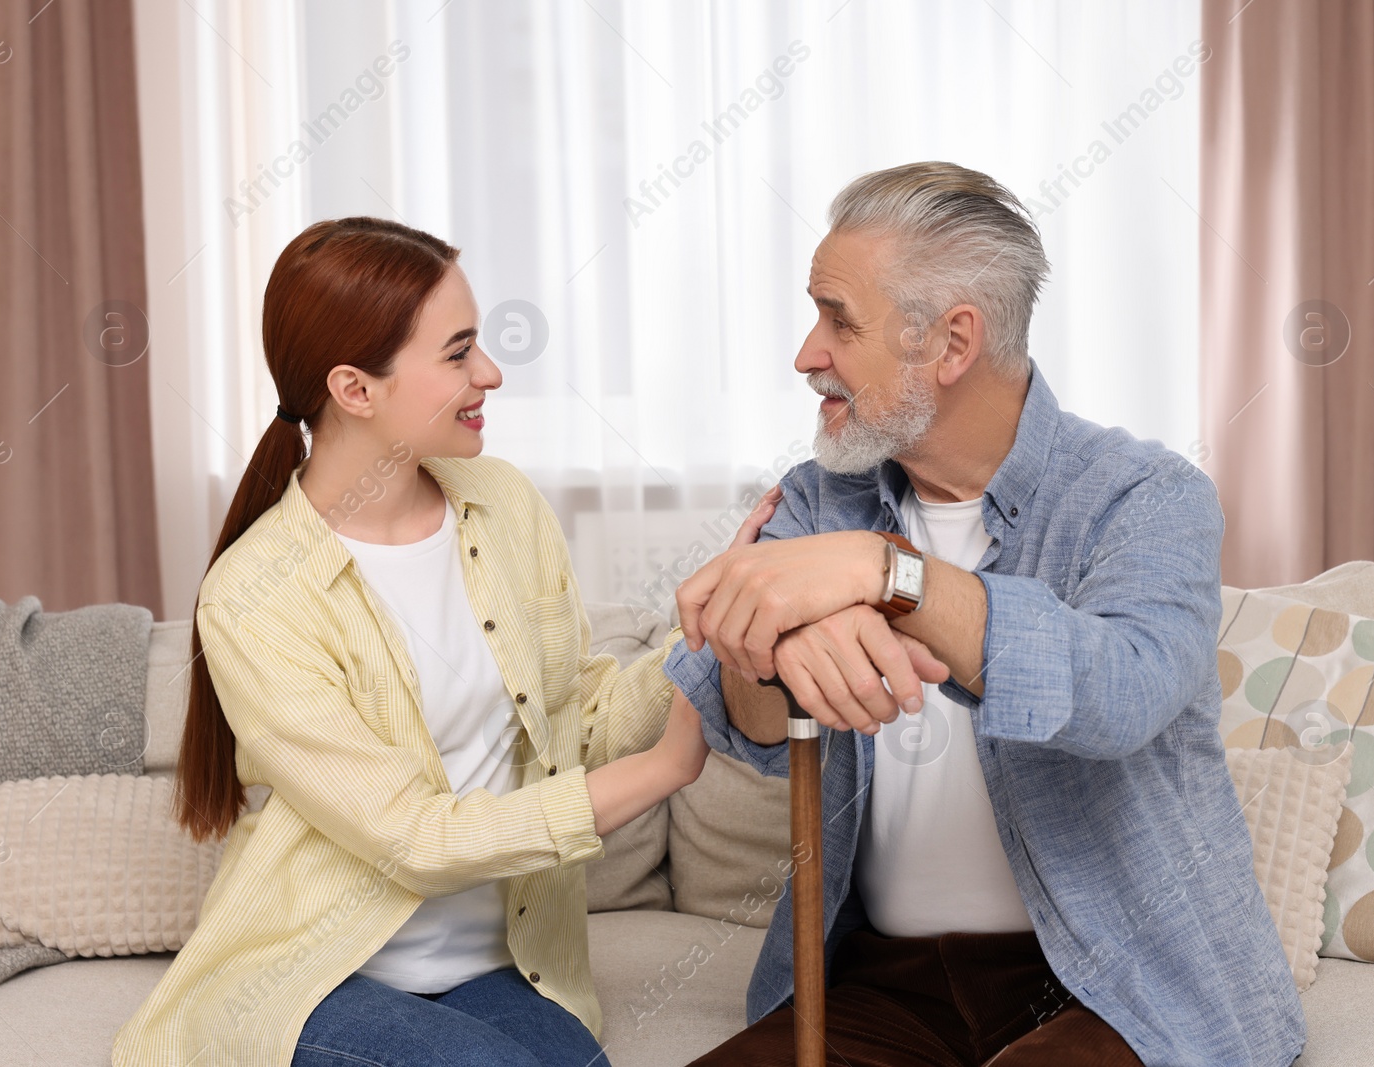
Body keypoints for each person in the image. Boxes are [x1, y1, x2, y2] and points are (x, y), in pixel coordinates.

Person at [662, 162, 1305, 1066]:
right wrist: (756, 633)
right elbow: (762, 728)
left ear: (952, 343)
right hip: (883, 981)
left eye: (838, 319)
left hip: (1113, 983)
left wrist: (885, 573)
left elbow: (1119, 692)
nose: (808, 353)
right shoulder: (821, 499)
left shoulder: (1146, 496)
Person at [112, 216, 777, 1067]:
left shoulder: (502, 503)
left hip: (498, 969)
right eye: (458, 352)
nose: (490, 374)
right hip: (317, 977)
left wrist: (711, 622)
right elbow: (416, 839)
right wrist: (661, 771)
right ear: (355, 389)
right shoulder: (254, 595)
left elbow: (584, 717)